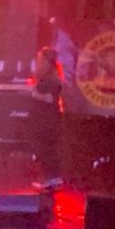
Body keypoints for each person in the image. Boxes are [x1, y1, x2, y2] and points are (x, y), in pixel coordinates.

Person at [26, 45, 65, 192]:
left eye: (40, 60)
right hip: (42, 119)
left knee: (45, 148)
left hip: (47, 121)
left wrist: (36, 94)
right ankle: (50, 178)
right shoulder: (45, 78)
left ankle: (53, 177)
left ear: (47, 62)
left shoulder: (53, 80)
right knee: (42, 148)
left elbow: (50, 98)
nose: (38, 63)